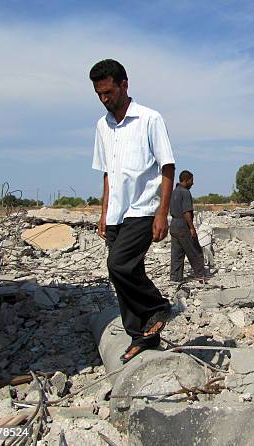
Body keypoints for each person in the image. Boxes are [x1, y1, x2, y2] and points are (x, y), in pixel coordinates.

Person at [90, 59, 175, 363]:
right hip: (115, 213)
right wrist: (103, 213)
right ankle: (142, 336)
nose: (104, 98)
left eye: (109, 92)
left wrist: (162, 213)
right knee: (127, 274)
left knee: (119, 265)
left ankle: (157, 307)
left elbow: (167, 167)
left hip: (143, 209)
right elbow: (107, 174)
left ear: (124, 85)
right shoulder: (103, 126)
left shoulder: (150, 119)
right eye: (99, 94)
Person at [169, 170, 205, 282]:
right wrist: (191, 228)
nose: (193, 183)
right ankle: (201, 275)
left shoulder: (174, 192)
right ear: (186, 180)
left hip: (174, 225)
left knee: (177, 254)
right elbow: (186, 212)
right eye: (191, 180)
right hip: (183, 225)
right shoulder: (185, 192)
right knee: (195, 251)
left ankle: (175, 277)